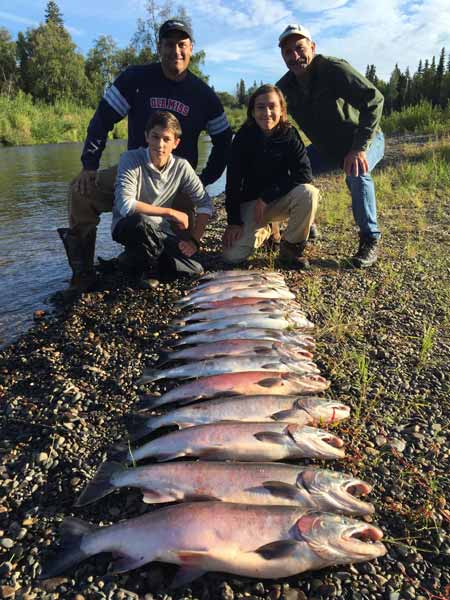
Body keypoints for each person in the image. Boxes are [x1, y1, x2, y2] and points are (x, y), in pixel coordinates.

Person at [59, 18, 232, 291]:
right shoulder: (135, 79)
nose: (176, 50)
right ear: (159, 47)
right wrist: (89, 165)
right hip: (136, 173)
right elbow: (102, 120)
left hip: (177, 183)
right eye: (169, 44)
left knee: (181, 257)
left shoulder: (204, 95)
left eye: (182, 44)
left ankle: (131, 261)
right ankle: (84, 272)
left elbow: (224, 141)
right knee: (80, 191)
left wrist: (204, 180)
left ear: (191, 49)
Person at [276, 24, 385, 267]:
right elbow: (271, 121)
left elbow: (374, 99)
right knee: (290, 168)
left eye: (299, 48)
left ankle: (370, 238)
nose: (294, 56)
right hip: (327, 149)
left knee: (357, 170)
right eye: (287, 52)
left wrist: (359, 148)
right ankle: (304, 225)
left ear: (312, 47)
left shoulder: (333, 69)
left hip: (365, 139)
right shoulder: (284, 88)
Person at [222, 84, 319, 269]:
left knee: (309, 193)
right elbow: (232, 182)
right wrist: (234, 222)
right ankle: (267, 231)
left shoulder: (289, 134)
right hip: (250, 203)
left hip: (278, 200)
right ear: (252, 111)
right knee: (231, 257)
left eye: (272, 106)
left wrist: (267, 197)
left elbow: (305, 174)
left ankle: (290, 250)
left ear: (281, 109)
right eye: (260, 107)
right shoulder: (242, 137)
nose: (266, 112)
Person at [112, 111, 212, 285]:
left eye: (166, 139)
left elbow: (205, 203)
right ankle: (151, 271)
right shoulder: (130, 159)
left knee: (195, 269)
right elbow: (125, 205)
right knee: (140, 221)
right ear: (146, 137)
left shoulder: (182, 166)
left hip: (159, 231)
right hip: (128, 226)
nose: (160, 144)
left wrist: (195, 241)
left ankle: (131, 259)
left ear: (176, 143)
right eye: (155, 136)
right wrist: (171, 212)